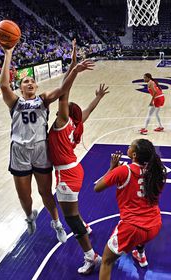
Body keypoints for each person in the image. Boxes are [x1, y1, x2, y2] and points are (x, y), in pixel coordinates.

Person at [0, 40, 93, 243]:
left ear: (37, 86)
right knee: (25, 197)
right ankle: (29, 216)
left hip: (41, 151)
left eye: (32, 81)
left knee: (45, 192)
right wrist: (8, 54)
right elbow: (3, 85)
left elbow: (62, 90)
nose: (30, 83)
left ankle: (56, 223)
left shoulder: (43, 99)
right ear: (21, 87)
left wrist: (74, 70)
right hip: (19, 152)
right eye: (26, 82)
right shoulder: (14, 102)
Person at [48, 80, 109, 273]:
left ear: (65, 114)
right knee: (73, 210)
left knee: (71, 218)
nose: (57, 114)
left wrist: (72, 72)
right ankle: (86, 226)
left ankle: (91, 257)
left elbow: (63, 97)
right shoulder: (77, 123)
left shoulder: (62, 123)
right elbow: (88, 110)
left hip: (66, 175)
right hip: (75, 169)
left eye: (60, 112)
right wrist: (97, 98)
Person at [95, 139, 166, 279]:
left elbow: (97, 187)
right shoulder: (156, 172)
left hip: (132, 228)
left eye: (130, 146)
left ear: (134, 155)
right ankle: (141, 256)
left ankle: (140, 254)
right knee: (141, 234)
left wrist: (112, 169)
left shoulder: (123, 170)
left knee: (107, 261)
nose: (127, 147)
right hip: (154, 225)